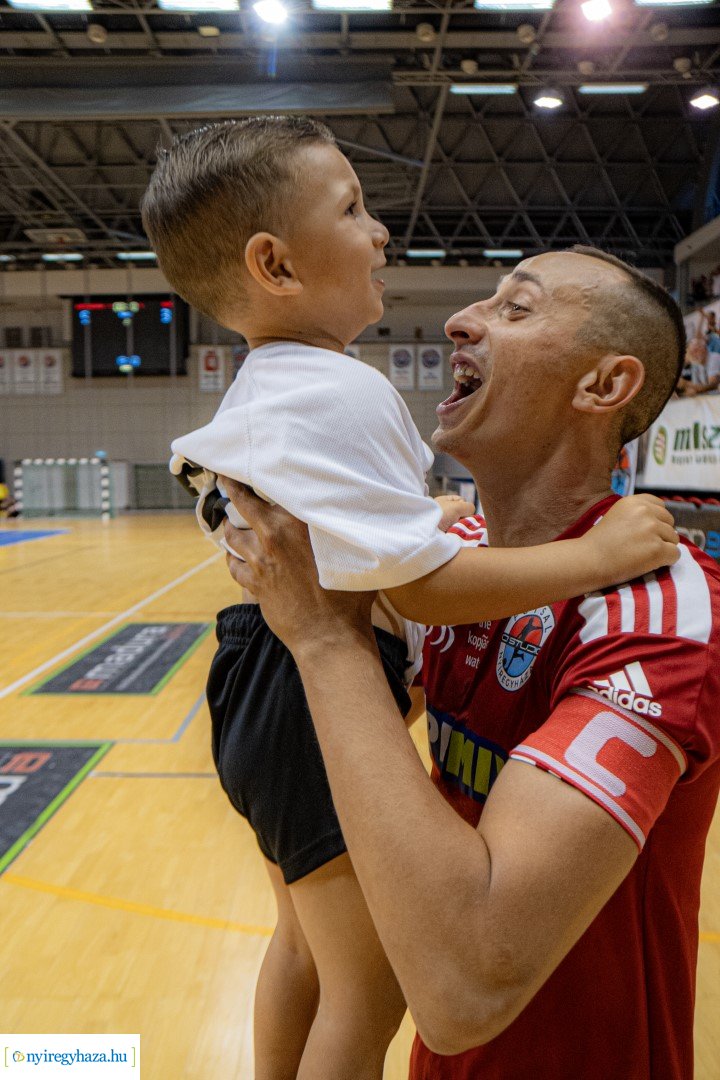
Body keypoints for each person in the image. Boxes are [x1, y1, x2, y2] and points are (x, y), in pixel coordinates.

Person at [141, 120, 678, 1080]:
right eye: (353, 209)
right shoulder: (343, 391)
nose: (382, 233)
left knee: (303, 947)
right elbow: (425, 591)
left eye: (515, 308)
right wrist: (594, 556)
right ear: (276, 265)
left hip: (252, 675)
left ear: (608, 383)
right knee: (370, 986)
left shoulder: (280, 383)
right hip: (302, 682)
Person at [220, 247, 720, 1080]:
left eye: (516, 310)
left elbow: (464, 991)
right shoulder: (446, 562)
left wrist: (322, 635)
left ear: (603, 387)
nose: (461, 320)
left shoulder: (661, 609)